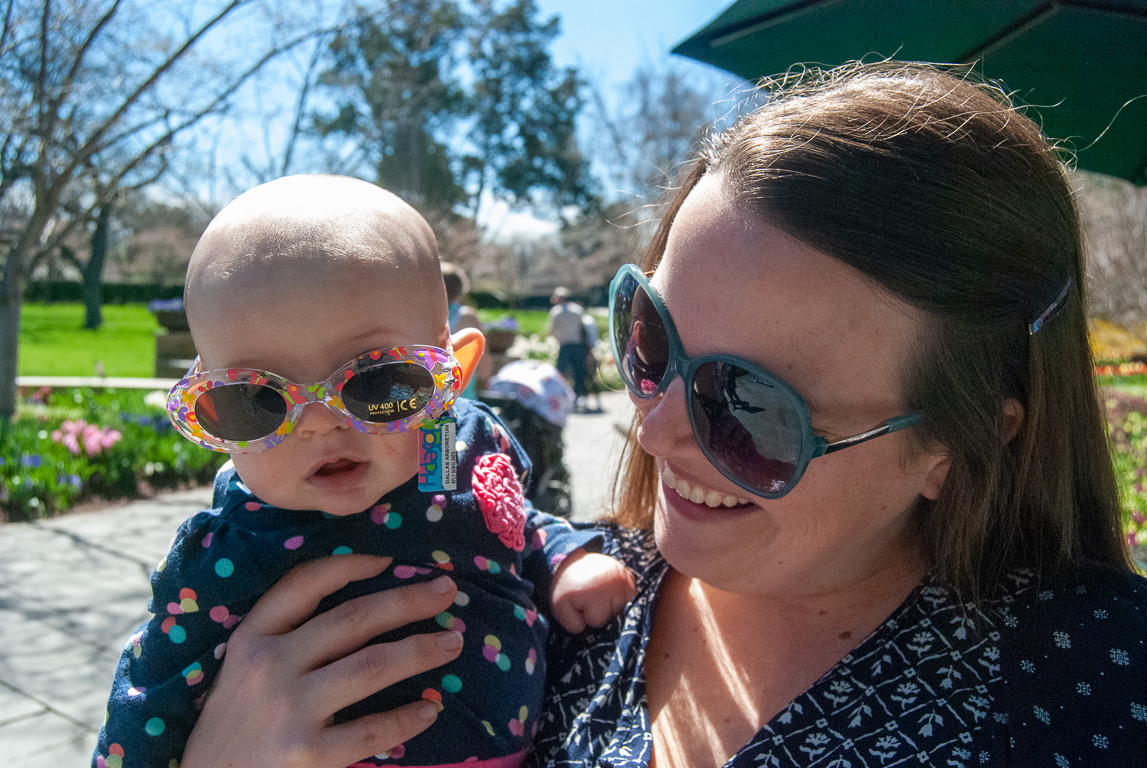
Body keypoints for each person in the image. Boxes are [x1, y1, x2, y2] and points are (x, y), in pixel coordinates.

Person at [176, 62, 1147, 767]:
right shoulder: (579, 602)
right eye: (652, 342)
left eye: (752, 405)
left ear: (960, 438)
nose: (652, 430)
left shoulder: (1097, 680)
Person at [93, 175, 636, 768]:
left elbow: (503, 520)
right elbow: (149, 702)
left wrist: (562, 558)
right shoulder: (236, 550)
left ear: (451, 375)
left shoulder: (442, 447)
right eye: (256, 400)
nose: (320, 424)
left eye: (378, 383)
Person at [441, 261, 485, 399]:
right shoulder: (465, 315)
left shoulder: (424, 315)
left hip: (431, 400)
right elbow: (484, 361)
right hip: (461, 397)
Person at [546, 287, 589, 410]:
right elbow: (584, 328)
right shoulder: (577, 310)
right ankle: (578, 396)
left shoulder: (556, 312)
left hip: (565, 345)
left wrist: (559, 339)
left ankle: (561, 396)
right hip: (578, 345)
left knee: (561, 372)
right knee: (578, 372)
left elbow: (553, 332)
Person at [579, 312, 604, 413]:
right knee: (588, 377)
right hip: (588, 351)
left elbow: (590, 338)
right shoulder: (589, 319)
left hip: (587, 352)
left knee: (590, 377)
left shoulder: (585, 321)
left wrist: (589, 353)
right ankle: (591, 401)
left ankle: (594, 401)